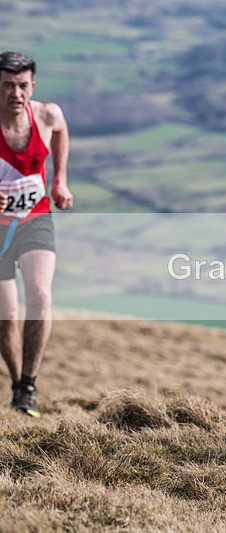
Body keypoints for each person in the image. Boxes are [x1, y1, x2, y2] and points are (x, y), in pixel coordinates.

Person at [0, 51, 73, 418]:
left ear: (33, 86)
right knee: (6, 316)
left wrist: (59, 179)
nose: (16, 93)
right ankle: (18, 385)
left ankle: (29, 384)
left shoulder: (46, 114)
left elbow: (60, 130)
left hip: (35, 219)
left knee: (41, 296)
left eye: (23, 85)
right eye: (8, 85)